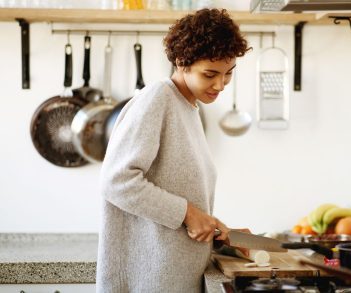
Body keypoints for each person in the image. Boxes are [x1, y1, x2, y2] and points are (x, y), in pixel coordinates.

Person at [96, 8, 251, 293]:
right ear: (182, 62)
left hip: (174, 275)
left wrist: (210, 224)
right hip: (150, 281)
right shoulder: (156, 99)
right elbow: (117, 181)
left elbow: (175, 189)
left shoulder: (188, 108)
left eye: (228, 74)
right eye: (210, 74)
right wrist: (189, 214)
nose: (220, 85)